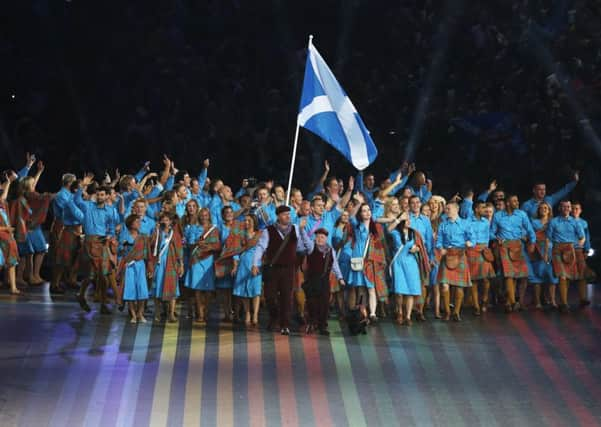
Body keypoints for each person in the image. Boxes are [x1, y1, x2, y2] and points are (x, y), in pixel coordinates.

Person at [251, 205, 313, 335]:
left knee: (287, 297)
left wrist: (303, 233)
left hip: (289, 269)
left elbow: (303, 247)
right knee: (270, 297)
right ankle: (274, 316)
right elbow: (261, 247)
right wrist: (255, 264)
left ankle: (285, 324)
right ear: (278, 216)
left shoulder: (296, 229)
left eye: (289, 214)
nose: (288, 217)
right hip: (273, 268)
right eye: (285, 214)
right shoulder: (269, 230)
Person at [76, 179, 121, 314]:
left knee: (100, 274)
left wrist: (110, 234)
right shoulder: (88, 206)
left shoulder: (110, 210)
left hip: (102, 243)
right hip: (90, 243)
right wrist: (82, 186)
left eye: (102, 195)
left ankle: (93, 299)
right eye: (98, 194)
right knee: (96, 275)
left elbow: (112, 227)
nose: (100, 197)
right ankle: (93, 300)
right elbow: (77, 201)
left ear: (107, 196)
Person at [490, 194, 536, 313]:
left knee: (521, 276)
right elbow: (491, 232)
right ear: (508, 203)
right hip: (504, 247)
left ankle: (514, 302)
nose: (517, 202)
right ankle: (511, 302)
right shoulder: (498, 215)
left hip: (518, 247)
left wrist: (532, 243)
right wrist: (496, 238)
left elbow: (530, 231)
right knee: (509, 275)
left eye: (517, 200)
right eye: (514, 201)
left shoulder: (522, 214)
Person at [346, 203, 388, 322]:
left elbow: (380, 205)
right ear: (360, 213)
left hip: (370, 261)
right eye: (364, 211)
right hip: (359, 261)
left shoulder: (375, 228)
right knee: (359, 288)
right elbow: (351, 216)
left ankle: (373, 314)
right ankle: (360, 312)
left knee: (371, 288)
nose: (367, 212)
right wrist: (358, 203)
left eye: (368, 210)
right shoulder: (357, 226)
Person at [389, 215, 430, 325]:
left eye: (408, 219)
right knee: (399, 290)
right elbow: (388, 229)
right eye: (405, 220)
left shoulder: (414, 233)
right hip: (398, 262)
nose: (408, 221)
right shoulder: (396, 233)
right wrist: (398, 219)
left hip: (411, 262)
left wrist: (417, 249)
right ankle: (400, 313)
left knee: (411, 290)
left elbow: (420, 245)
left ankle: (408, 316)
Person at [436, 201, 474, 321]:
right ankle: (447, 312)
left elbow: (472, 238)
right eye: (446, 209)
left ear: (456, 209)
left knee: (459, 286)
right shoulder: (443, 225)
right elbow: (438, 240)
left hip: (460, 254)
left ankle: (456, 312)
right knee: (444, 286)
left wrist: (470, 243)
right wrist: (440, 248)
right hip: (447, 255)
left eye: (449, 209)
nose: (446, 211)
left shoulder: (465, 224)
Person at [221, 215, 262, 327]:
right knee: (244, 291)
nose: (247, 222)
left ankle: (255, 315)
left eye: (249, 220)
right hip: (243, 263)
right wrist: (235, 265)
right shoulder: (240, 235)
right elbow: (235, 252)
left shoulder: (259, 234)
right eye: (245, 220)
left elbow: (263, 249)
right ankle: (248, 312)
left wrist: (259, 262)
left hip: (256, 263)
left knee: (255, 290)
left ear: (254, 222)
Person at [302, 228, 344, 336]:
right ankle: (312, 323)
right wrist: (302, 229)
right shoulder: (312, 247)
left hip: (324, 281)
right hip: (312, 280)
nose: (319, 239)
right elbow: (306, 239)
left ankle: (322, 326)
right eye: (318, 237)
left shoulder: (330, 250)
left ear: (326, 239)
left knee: (324, 304)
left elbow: (335, 265)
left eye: (322, 237)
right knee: (312, 303)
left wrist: (340, 277)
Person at [546, 200, 585, 313]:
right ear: (560, 208)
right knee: (562, 276)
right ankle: (564, 304)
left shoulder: (575, 222)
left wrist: (577, 247)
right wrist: (547, 254)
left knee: (571, 276)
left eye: (568, 206)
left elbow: (582, 237)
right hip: (557, 250)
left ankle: (577, 299)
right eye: (564, 206)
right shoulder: (553, 222)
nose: (567, 208)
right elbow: (548, 239)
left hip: (571, 249)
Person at [184, 207, 221, 324]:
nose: (204, 217)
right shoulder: (194, 228)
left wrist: (208, 246)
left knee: (208, 289)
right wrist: (197, 243)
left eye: (206, 215)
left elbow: (217, 245)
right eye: (202, 215)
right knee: (198, 289)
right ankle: (200, 313)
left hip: (208, 260)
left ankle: (206, 310)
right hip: (196, 260)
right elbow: (189, 244)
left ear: (209, 216)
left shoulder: (214, 229)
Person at [149, 212, 184, 322]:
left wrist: (181, 264)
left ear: (171, 222)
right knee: (157, 287)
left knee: (172, 287)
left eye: (167, 220)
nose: (165, 222)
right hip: (159, 263)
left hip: (171, 263)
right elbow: (151, 246)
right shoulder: (157, 233)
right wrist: (156, 232)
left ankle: (171, 313)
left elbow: (179, 250)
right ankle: (158, 312)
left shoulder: (175, 234)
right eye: (163, 220)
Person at [118, 215, 150, 323]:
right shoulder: (124, 236)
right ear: (131, 224)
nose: (139, 223)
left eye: (139, 221)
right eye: (136, 221)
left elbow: (147, 252)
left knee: (142, 290)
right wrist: (123, 247)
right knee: (130, 290)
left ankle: (140, 313)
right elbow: (120, 250)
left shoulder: (143, 236)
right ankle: (133, 315)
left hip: (140, 265)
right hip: (129, 265)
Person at [466, 201, 496, 315]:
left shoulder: (486, 222)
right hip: (472, 250)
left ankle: (484, 299)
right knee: (474, 280)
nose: (485, 209)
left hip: (483, 250)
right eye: (482, 208)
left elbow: (488, 236)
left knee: (486, 278)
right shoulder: (468, 222)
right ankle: (476, 306)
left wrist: (487, 250)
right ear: (476, 209)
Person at [528, 202, 558, 309]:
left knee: (552, 277)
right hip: (538, 250)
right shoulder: (533, 222)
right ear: (538, 210)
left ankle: (553, 301)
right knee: (537, 276)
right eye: (542, 208)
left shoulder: (554, 222)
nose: (544, 209)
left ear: (549, 210)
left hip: (551, 250)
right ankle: (537, 302)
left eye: (546, 208)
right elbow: (528, 233)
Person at [571, 202, 595, 307]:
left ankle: (583, 298)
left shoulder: (584, 223)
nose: (575, 210)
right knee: (566, 275)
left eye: (577, 209)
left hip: (580, 250)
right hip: (568, 250)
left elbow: (587, 237)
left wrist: (586, 250)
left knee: (582, 275)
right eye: (573, 208)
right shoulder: (568, 221)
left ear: (580, 210)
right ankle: (563, 301)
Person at [0, 172, 20, 294]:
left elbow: (4, 196)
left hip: (7, 237)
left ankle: (13, 287)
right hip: (2, 236)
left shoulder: (2, 205)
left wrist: (8, 182)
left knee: (12, 262)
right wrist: (5, 229)